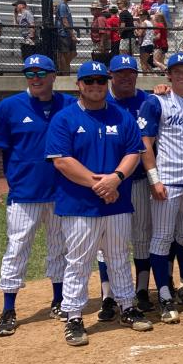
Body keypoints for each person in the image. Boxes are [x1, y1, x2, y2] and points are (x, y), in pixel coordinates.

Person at [45, 61, 149, 346]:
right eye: (88, 81)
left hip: (116, 203)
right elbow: (62, 161)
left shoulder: (121, 116)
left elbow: (134, 153)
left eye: (100, 81)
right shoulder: (64, 118)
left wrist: (115, 179)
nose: (95, 86)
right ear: (79, 85)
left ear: (107, 83)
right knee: (78, 261)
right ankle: (74, 316)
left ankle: (127, 307)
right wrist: (100, 185)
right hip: (79, 205)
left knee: (117, 257)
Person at [0, 54, 74, 336]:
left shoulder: (69, 104)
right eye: (30, 74)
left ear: (53, 76)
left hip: (61, 192)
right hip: (24, 194)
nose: (34, 78)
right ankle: (8, 309)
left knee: (60, 248)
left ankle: (59, 300)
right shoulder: (9, 107)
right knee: (17, 249)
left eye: (40, 73)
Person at [138, 52, 183, 324]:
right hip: (167, 180)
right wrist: (154, 178)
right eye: (176, 71)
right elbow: (145, 142)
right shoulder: (156, 101)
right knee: (162, 237)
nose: (181, 75)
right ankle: (165, 294)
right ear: (168, 74)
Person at [102, 55, 155, 314]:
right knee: (109, 240)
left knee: (142, 235)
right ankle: (108, 295)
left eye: (130, 72)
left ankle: (142, 289)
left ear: (137, 75)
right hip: (110, 183)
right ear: (111, 74)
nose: (125, 77)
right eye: (120, 72)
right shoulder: (100, 99)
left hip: (140, 180)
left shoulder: (148, 99)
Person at [55, 0, 77, 74]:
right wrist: (72, 35)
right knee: (64, 54)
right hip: (63, 33)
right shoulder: (63, 6)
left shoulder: (65, 5)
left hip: (66, 33)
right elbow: (65, 21)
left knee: (73, 53)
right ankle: (64, 72)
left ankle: (65, 70)